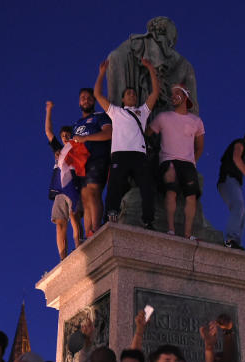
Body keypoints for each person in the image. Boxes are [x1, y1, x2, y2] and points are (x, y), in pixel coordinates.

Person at [94, 58, 159, 228]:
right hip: (120, 153)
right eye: (128, 94)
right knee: (114, 185)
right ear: (123, 99)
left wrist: (151, 69)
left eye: (134, 94)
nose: (132, 95)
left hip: (139, 154)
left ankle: (148, 220)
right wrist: (101, 74)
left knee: (147, 187)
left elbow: (155, 93)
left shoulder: (142, 112)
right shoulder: (116, 112)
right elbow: (98, 95)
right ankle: (110, 215)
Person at [148, 84, 204, 239]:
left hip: (188, 163)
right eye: (172, 94)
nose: (173, 96)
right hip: (168, 160)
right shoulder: (163, 117)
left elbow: (200, 146)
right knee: (170, 192)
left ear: (185, 96)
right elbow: (148, 133)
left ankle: (187, 233)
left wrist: (192, 161)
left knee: (191, 196)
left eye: (177, 93)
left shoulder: (196, 121)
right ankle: (171, 229)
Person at [70, 88, 112, 237]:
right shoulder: (76, 124)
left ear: (94, 101)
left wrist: (86, 139)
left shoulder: (100, 116)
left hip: (98, 158)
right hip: (81, 164)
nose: (86, 100)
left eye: (89, 98)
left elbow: (109, 133)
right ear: (79, 102)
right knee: (86, 197)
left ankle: (96, 229)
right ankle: (88, 235)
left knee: (94, 192)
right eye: (83, 98)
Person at [44, 102, 83, 259]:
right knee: (60, 222)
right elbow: (48, 131)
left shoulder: (78, 147)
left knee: (74, 217)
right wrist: (49, 110)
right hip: (59, 187)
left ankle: (80, 248)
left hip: (73, 184)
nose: (66, 137)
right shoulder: (58, 150)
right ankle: (63, 258)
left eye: (68, 135)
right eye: (63, 136)